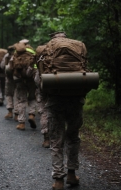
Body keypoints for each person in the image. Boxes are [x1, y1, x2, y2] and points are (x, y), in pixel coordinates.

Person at [42, 32, 85, 190]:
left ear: (53, 39)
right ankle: (72, 175)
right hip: (76, 100)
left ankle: (59, 180)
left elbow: (39, 80)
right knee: (73, 137)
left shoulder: (47, 50)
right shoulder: (78, 47)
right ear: (66, 38)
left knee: (56, 140)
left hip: (55, 102)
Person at [13, 39, 38, 130]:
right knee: (32, 98)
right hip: (31, 78)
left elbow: (12, 66)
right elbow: (36, 65)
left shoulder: (17, 52)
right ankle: (31, 114)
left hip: (20, 79)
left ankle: (22, 123)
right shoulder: (32, 51)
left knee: (21, 100)